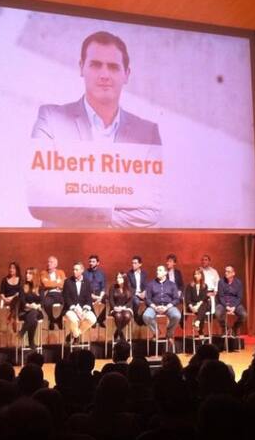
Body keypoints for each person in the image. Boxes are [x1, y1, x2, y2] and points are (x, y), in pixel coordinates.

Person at [29, 30, 162, 228]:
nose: (104, 75)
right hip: (60, 245)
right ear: (81, 67)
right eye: (95, 65)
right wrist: (110, 211)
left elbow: (150, 214)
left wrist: (78, 202)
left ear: (127, 74)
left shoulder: (147, 133)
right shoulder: (51, 119)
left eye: (113, 67)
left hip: (121, 248)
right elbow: (39, 201)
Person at [143, 265, 181, 350]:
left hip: (168, 306)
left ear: (165, 273)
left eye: (160, 270)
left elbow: (176, 299)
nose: (157, 272)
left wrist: (167, 307)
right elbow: (147, 299)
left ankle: (169, 334)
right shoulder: (151, 284)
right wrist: (155, 307)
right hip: (154, 306)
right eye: (157, 270)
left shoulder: (172, 284)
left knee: (177, 315)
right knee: (146, 316)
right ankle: (156, 331)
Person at [63, 263, 97, 344]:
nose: (74, 271)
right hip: (71, 308)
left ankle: (74, 334)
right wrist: (74, 309)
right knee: (74, 319)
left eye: (76, 269)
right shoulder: (68, 282)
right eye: (73, 269)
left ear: (82, 270)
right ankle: (76, 335)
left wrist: (85, 310)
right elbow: (66, 297)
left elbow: (89, 298)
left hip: (83, 308)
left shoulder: (87, 282)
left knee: (92, 319)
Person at [215, 265, 247, 336]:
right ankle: (225, 328)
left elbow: (239, 297)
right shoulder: (221, 282)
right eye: (225, 271)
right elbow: (221, 296)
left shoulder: (238, 283)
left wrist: (234, 307)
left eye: (228, 272)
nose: (226, 273)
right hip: (223, 303)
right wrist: (226, 306)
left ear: (233, 273)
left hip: (235, 304)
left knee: (244, 315)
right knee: (217, 313)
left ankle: (234, 328)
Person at [39, 256, 66, 330]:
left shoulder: (61, 272)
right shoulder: (43, 273)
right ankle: (52, 319)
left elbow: (63, 284)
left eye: (51, 262)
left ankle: (59, 319)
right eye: (48, 262)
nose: (49, 263)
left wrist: (51, 283)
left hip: (60, 293)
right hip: (50, 294)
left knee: (68, 303)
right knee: (46, 303)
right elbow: (45, 284)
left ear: (56, 264)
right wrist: (57, 283)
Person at [18, 274, 43, 349]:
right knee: (33, 319)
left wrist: (37, 306)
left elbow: (42, 301)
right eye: (26, 273)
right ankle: (31, 342)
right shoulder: (23, 287)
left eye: (29, 274)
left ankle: (22, 332)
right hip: (25, 312)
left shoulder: (40, 287)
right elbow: (22, 301)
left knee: (34, 313)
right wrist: (30, 306)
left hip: (37, 312)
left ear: (34, 275)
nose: (27, 275)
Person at [108, 272, 134, 342]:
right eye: (117, 277)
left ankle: (117, 333)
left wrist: (123, 307)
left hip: (126, 308)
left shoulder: (129, 288)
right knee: (118, 316)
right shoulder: (113, 287)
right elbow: (111, 300)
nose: (117, 279)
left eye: (120, 277)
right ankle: (122, 336)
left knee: (127, 316)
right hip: (115, 309)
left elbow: (130, 301)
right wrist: (114, 307)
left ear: (124, 278)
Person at [185, 268, 211, 335]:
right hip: (192, 305)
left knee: (203, 305)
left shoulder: (205, 286)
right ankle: (200, 330)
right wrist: (191, 307)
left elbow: (203, 298)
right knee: (202, 311)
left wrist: (197, 306)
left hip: (201, 304)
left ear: (201, 275)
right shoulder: (190, 285)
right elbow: (187, 298)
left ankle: (197, 322)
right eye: (195, 274)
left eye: (198, 274)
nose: (196, 276)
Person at [84, 254, 107, 328]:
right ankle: (93, 320)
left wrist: (100, 297)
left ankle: (100, 319)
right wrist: (92, 295)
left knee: (108, 300)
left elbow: (103, 287)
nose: (91, 263)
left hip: (98, 293)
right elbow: (84, 288)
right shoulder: (85, 273)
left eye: (93, 262)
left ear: (98, 263)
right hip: (89, 293)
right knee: (87, 300)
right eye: (90, 261)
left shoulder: (101, 273)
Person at [126, 256, 149, 326]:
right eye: (132, 263)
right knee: (136, 302)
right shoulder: (129, 274)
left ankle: (142, 318)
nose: (133, 265)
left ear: (140, 264)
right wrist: (138, 294)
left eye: (135, 263)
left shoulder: (144, 273)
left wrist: (144, 292)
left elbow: (146, 285)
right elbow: (129, 287)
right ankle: (136, 317)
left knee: (150, 301)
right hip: (134, 294)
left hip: (142, 293)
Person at [0, 262, 21, 332]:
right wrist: (5, 299)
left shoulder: (20, 279)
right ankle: (15, 319)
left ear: (17, 270)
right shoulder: (4, 280)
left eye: (13, 268)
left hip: (17, 300)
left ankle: (11, 316)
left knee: (17, 299)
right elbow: (1, 292)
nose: (11, 269)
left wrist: (12, 297)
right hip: (7, 301)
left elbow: (20, 292)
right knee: (16, 301)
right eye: (10, 268)